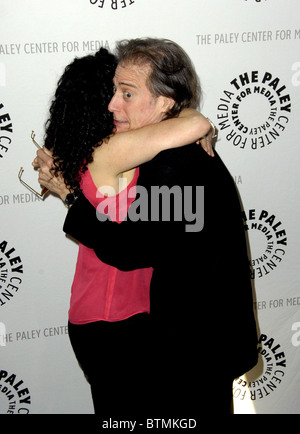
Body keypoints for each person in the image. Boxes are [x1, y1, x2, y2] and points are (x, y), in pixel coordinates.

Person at [36, 38, 258, 417]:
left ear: (164, 103)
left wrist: (72, 200)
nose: (112, 106)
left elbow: (126, 247)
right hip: (191, 349)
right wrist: (193, 120)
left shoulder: (172, 166)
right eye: (113, 92)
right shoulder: (171, 153)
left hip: (195, 352)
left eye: (126, 94)